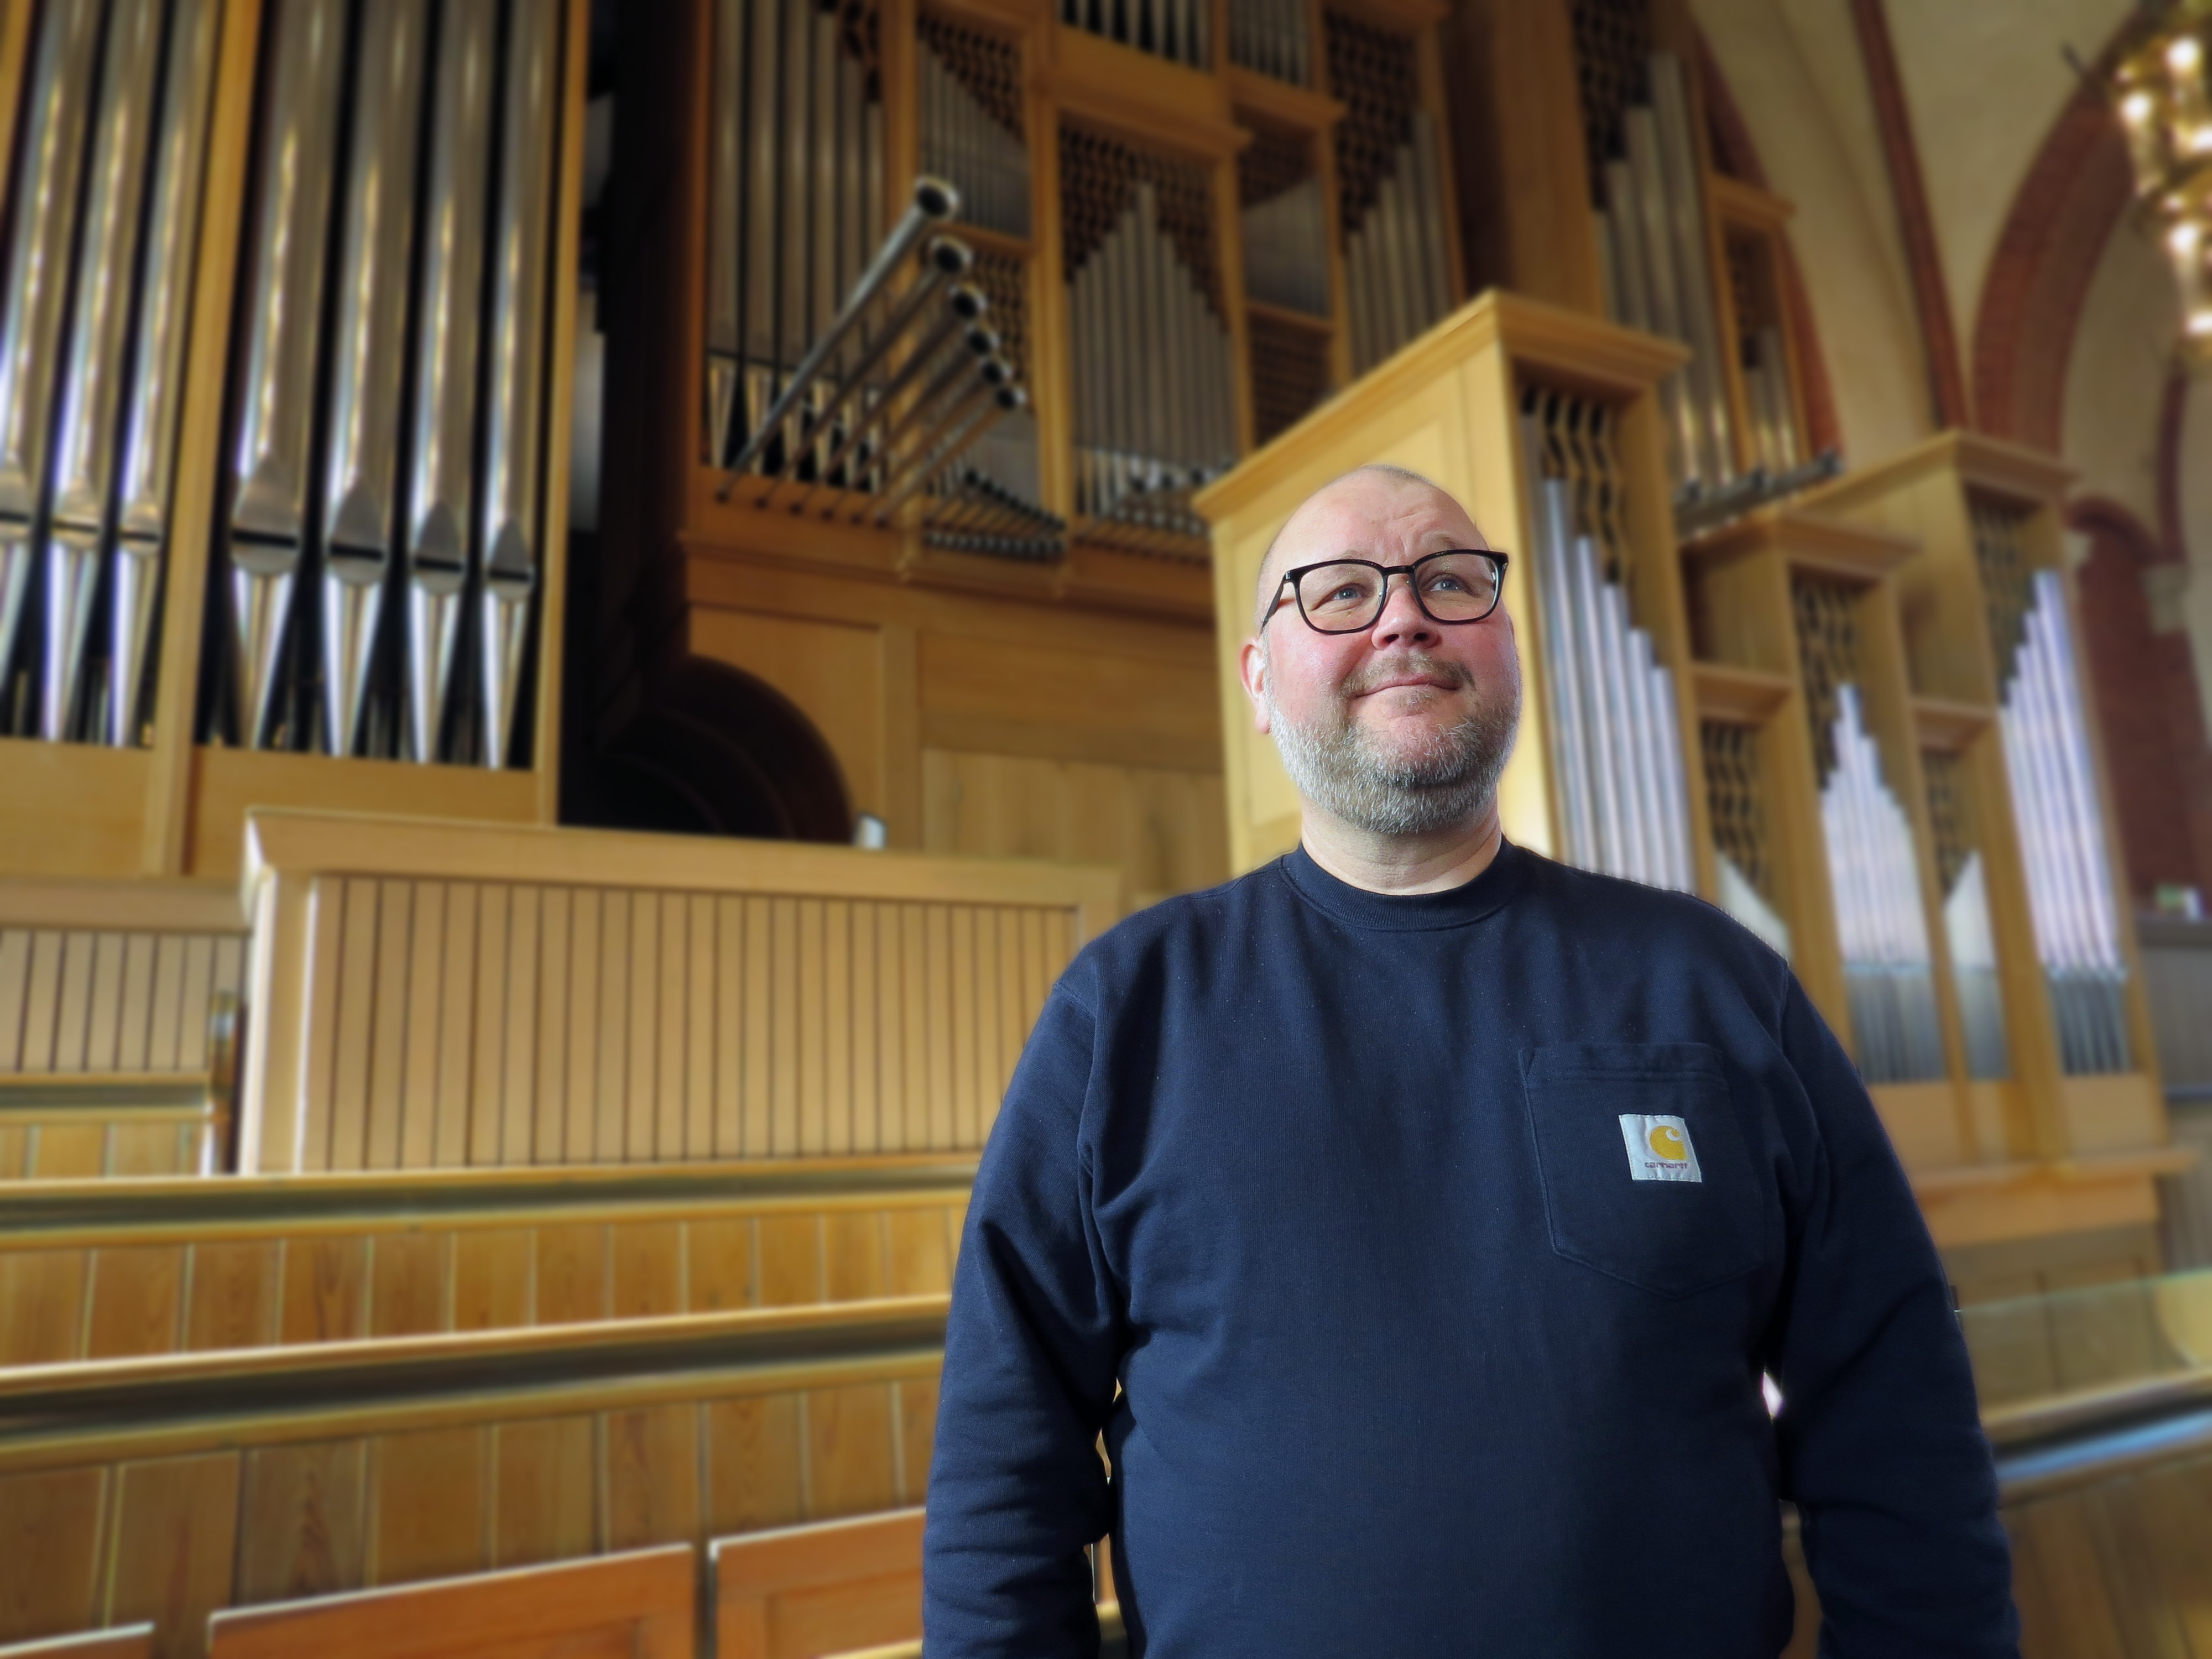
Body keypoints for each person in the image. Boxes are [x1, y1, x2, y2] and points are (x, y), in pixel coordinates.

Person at [921, 464, 2017, 1657]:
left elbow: (1893, 1410)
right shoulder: (1125, 1012)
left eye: (1448, 581)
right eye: (1339, 591)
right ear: (1256, 679)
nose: (1403, 616)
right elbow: (1002, 1479)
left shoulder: (1709, 987)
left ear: (1502, 643)